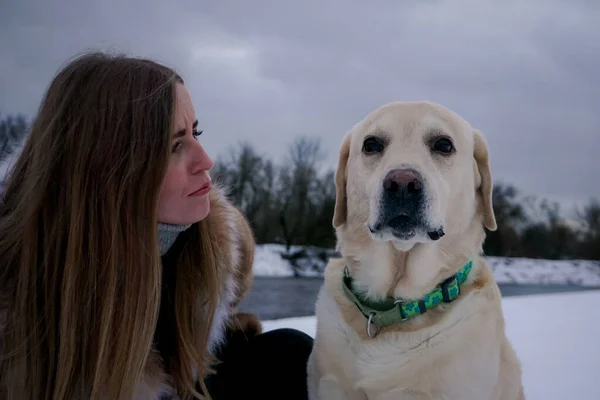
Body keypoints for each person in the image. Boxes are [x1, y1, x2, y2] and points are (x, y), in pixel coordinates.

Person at [0, 52, 313, 400]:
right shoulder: (18, 297)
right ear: (109, 172)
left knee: (289, 355)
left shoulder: (212, 254)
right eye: (175, 145)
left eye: (196, 132)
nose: (205, 160)